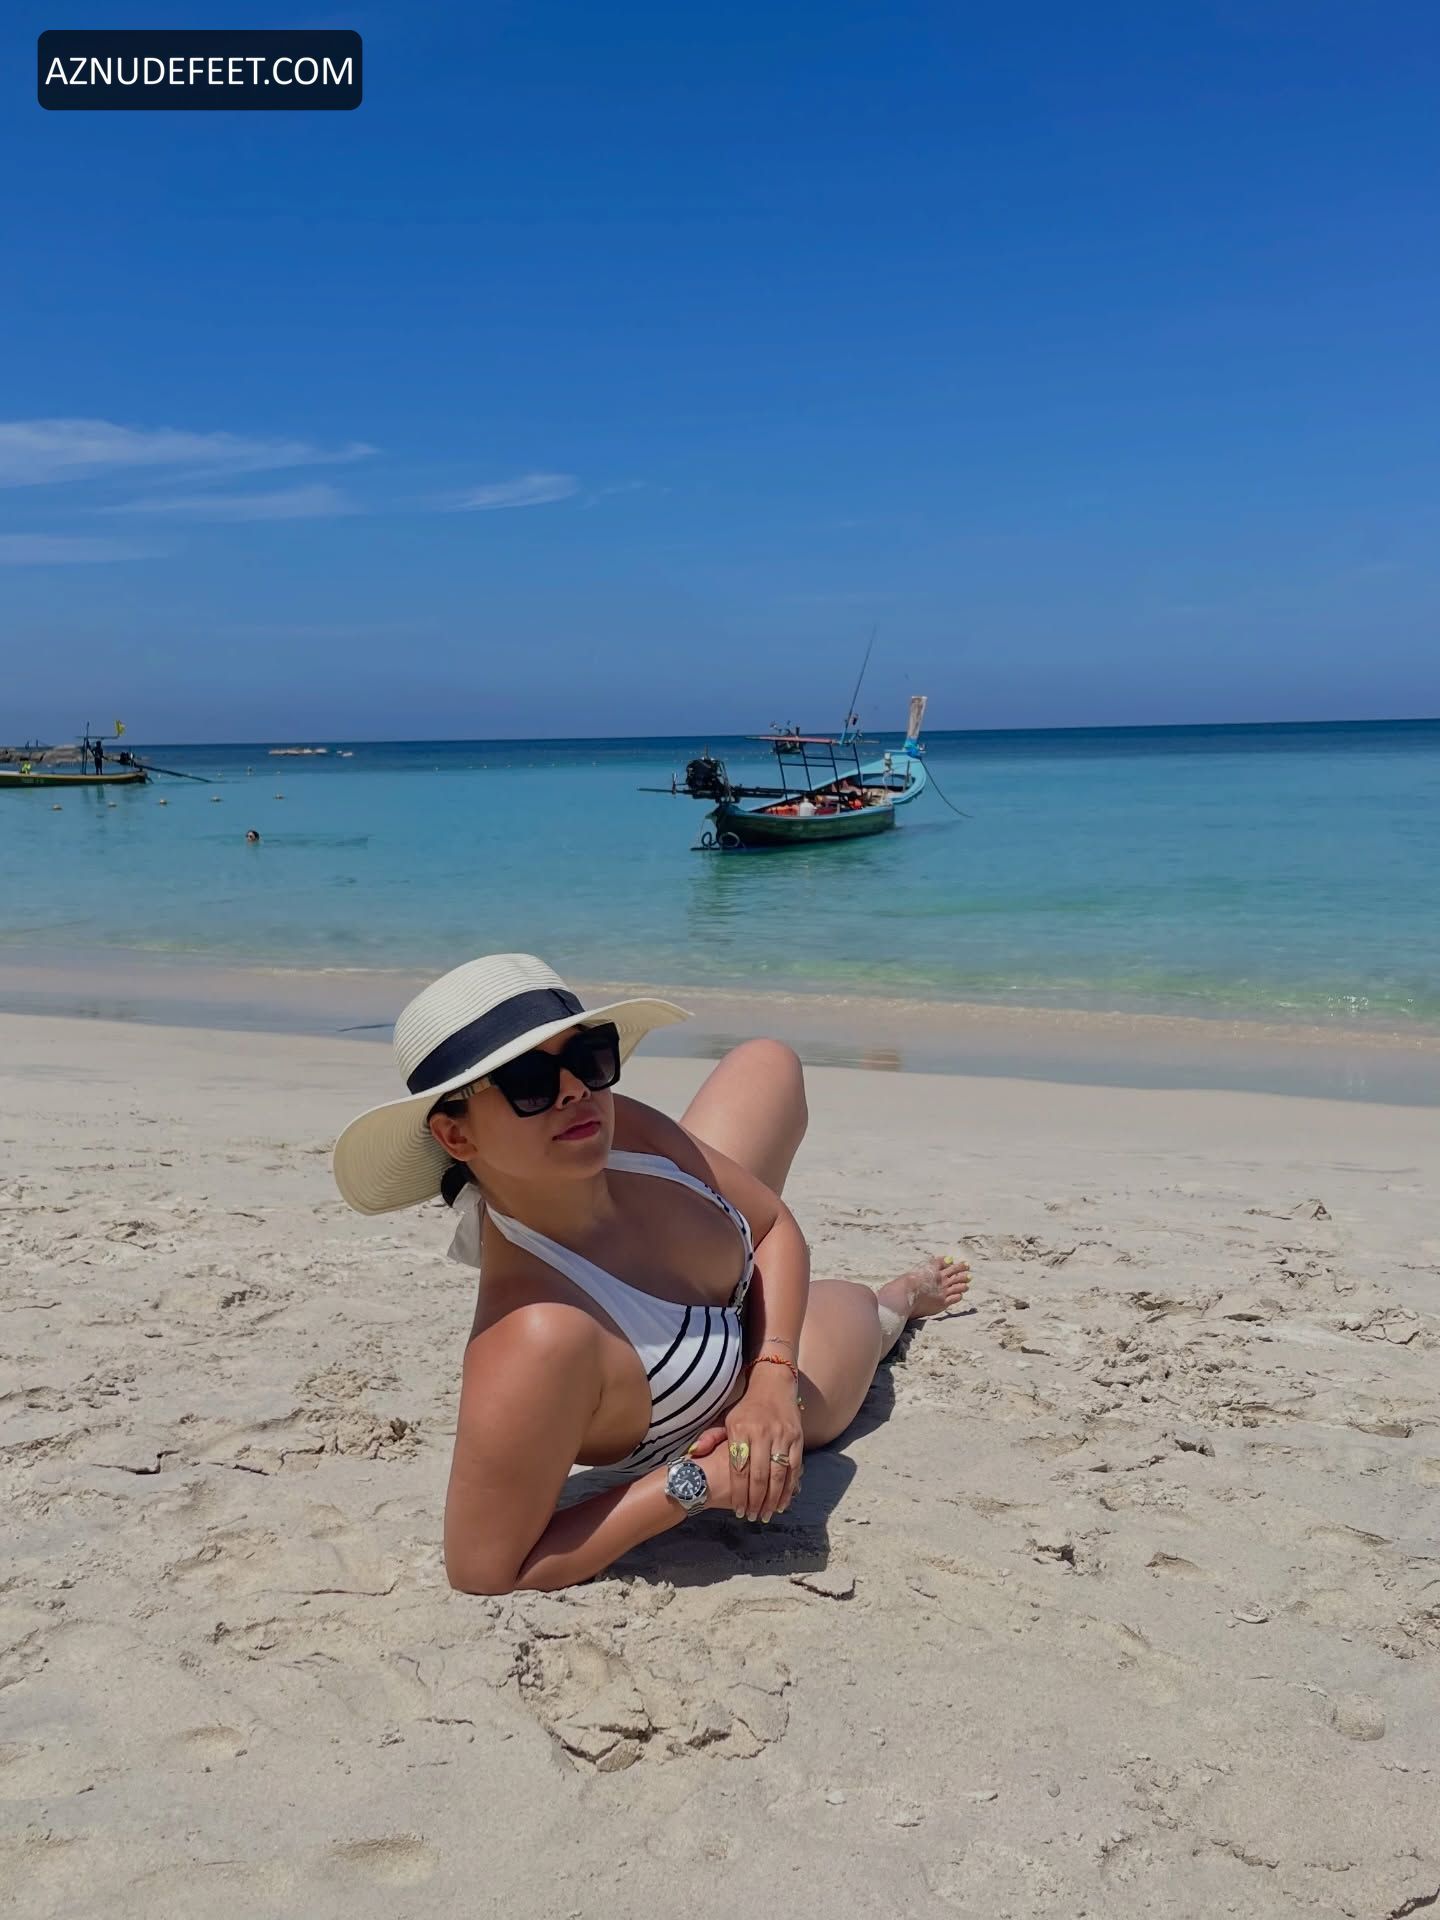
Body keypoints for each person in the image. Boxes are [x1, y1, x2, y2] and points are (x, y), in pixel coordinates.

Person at [333, 954, 971, 1596]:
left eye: (587, 1057)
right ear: (456, 1136)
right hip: (714, 1388)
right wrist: (693, 1484)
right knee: (856, 1313)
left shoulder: (609, 1127)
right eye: (529, 1082)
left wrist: (773, 1376)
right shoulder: (537, 1336)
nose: (574, 1090)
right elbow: (483, 1570)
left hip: (743, 1318)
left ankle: (782, 1322)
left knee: (767, 1062)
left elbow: (773, 1224)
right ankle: (902, 1299)